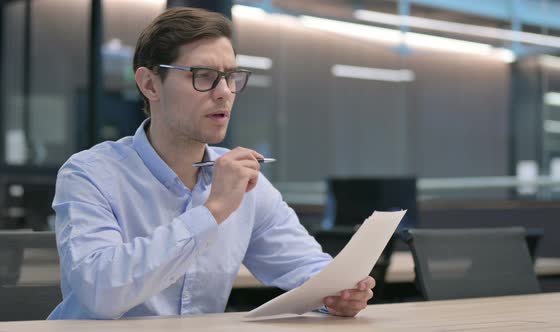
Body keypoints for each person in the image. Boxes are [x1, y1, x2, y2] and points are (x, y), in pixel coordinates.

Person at [48, 7, 375, 320]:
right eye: (203, 76)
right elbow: (101, 293)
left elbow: (307, 269)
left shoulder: (244, 179)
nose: (224, 93)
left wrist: (339, 294)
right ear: (149, 84)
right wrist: (213, 210)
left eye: (231, 77)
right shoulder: (90, 173)